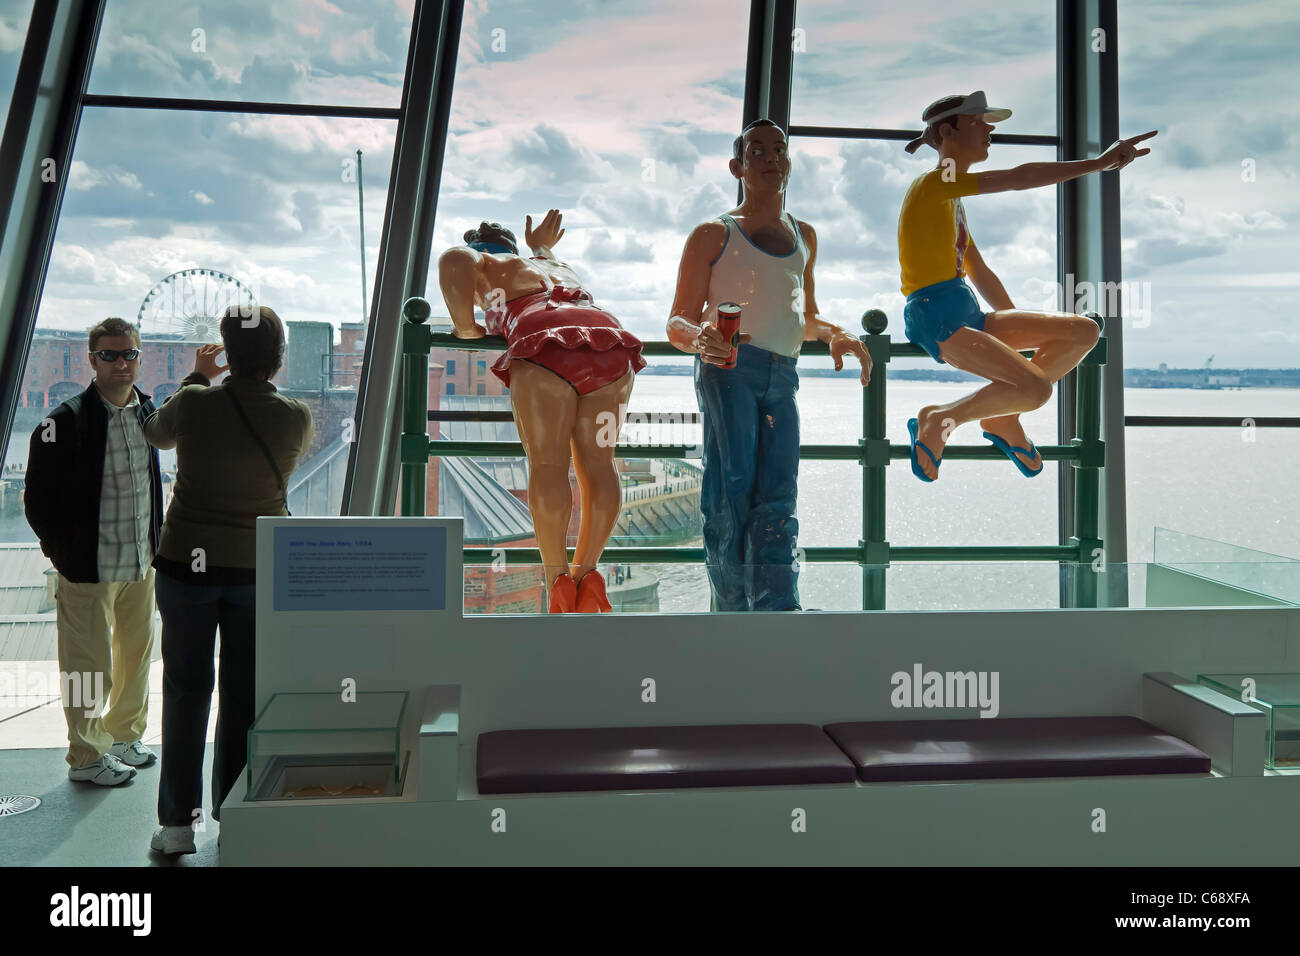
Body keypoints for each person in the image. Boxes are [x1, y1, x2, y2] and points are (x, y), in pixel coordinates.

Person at [667, 119, 872, 611]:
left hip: (784, 374)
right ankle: (733, 608)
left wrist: (835, 332)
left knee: (780, 490)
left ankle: (777, 605)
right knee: (730, 488)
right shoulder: (712, 234)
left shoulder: (806, 236)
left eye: (779, 148)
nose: (770, 157)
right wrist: (702, 339)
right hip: (729, 370)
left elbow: (805, 317)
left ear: (788, 163)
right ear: (737, 167)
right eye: (756, 150)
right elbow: (677, 321)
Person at [897, 90, 1155, 481]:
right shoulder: (936, 185)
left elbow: (979, 270)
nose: (989, 130)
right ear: (948, 131)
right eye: (978, 122)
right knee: (1037, 389)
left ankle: (1004, 417)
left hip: (967, 311)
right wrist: (1098, 163)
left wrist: (1013, 324)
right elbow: (1020, 178)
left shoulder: (952, 200)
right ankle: (941, 417)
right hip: (935, 314)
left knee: (1083, 331)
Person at [143, 305, 313, 855]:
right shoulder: (294, 416)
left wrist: (197, 376)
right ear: (279, 358)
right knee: (243, 694)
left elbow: (155, 434)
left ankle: (176, 824)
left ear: (226, 352)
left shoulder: (194, 402)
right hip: (255, 569)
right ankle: (232, 813)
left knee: (186, 691)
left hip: (185, 568)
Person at [438, 211, 645, 614]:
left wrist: (465, 328)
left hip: (544, 344)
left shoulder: (487, 261)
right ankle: (588, 576)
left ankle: (558, 582)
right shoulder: (550, 264)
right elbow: (543, 261)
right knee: (600, 464)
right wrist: (541, 245)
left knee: (549, 466)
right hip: (610, 343)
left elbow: (453, 261)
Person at [24, 317, 165, 787]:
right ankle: (86, 756)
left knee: (136, 656)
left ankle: (124, 736)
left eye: (129, 354)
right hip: (88, 566)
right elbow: (37, 499)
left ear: (139, 358)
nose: (121, 362)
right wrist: (61, 553)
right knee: (87, 665)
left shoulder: (148, 412)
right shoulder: (63, 421)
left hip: (139, 562)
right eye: (109, 354)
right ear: (92, 359)